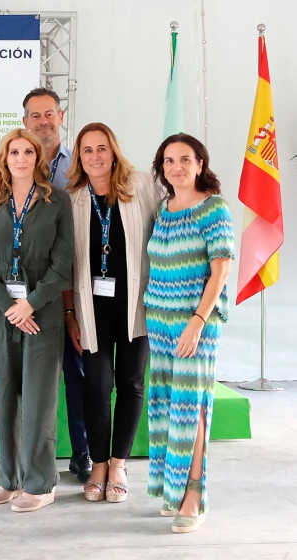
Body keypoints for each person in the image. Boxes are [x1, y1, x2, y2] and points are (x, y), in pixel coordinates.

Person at [62, 123, 165, 503]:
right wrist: (70, 312)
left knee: (132, 383)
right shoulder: (71, 198)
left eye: (101, 148)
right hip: (92, 308)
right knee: (96, 385)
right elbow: (67, 265)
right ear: (79, 157)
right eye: (87, 150)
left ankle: (119, 464)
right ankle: (99, 463)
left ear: (114, 150)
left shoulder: (141, 186)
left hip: (136, 304)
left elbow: (163, 234)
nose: (95, 156)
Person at [0, 128, 74, 513]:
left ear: (38, 157)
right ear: (4, 158)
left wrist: (29, 304)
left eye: (28, 151)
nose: (21, 158)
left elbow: (63, 264)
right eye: (14, 152)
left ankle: (40, 483)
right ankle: (9, 479)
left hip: (41, 317)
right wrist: (8, 306)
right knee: (4, 400)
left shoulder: (56, 202)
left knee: (37, 401)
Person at [145, 134, 233, 533]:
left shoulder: (213, 208)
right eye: (168, 161)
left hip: (194, 322)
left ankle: (194, 493)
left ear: (200, 163)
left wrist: (197, 321)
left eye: (184, 159)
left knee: (190, 407)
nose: (176, 167)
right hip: (159, 320)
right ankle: (173, 490)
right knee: (166, 407)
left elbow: (221, 270)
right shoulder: (164, 208)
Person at [21, 87, 91, 482]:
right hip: (26, 293)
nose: (43, 121)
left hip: (75, 285)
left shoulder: (80, 163)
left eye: (50, 114)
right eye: (35, 115)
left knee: (77, 371)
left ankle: (82, 451)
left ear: (61, 117)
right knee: (30, 378)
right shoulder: (15, 163)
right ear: (25, 120)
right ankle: (26, 458)